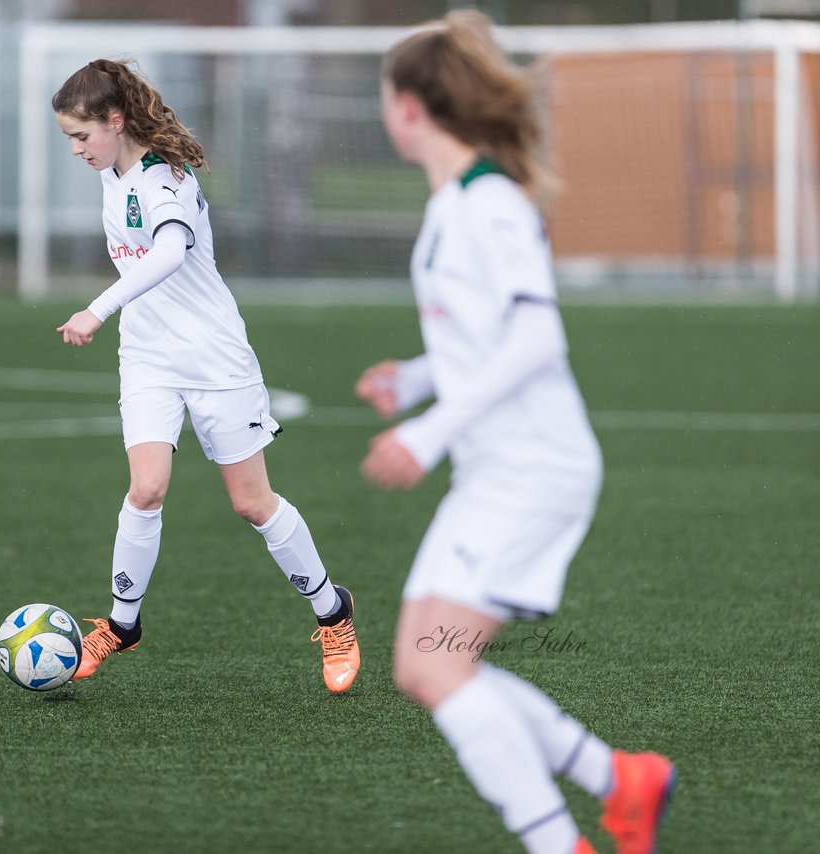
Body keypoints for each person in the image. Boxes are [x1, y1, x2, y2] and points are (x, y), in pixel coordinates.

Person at [358, 12, 675, 854]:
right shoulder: (452, 205)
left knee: (435, 664)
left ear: (410, 109)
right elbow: (485, 334)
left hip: (533, 471)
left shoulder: (488, 203)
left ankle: (556, 840)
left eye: (386, 95)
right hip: (494, 472)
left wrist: (428, 432)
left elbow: (538, 338)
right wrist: (418, 377)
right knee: (427, 663)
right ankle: (621, 781)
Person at [51, 59, 361, 694]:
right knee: (146, 490)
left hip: (214, 357)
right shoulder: (113, 170)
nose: (77, 149)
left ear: (115, 121)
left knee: (251, 502)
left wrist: (96, 308)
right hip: (147, 358)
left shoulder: (166, 179)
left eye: (82, 136)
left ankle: (334, 613)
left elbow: (167, 251)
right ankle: (122, 623)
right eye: (69, 139)